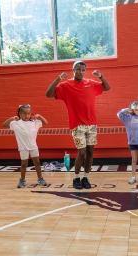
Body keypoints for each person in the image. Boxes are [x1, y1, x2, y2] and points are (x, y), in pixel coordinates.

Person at [45, 60, 110, 189]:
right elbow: (48, 94)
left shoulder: (90, 83)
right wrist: (59, 78)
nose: (81, 72)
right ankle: (76, 178)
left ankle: (85, 177)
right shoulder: (66, 85)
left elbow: (107, 87)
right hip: (77, 124)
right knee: (81, 152)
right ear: (73, 70)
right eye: (78, 69)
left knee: (90, 151)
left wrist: (101, 76)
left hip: (91, 123)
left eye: (83, 70)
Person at [3, 104, 48, 188]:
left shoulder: (34, 122)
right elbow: (4, 125)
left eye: (29, 113)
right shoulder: (16, 123)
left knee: (37, 163)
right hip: (23, 147)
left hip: (33, 146)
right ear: (20, 113)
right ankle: (22, 180)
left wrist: (39, 116)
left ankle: (40, 178)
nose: (27, 115)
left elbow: (45, 122)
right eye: (25, 113)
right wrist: (12, 118)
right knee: (24, 164)